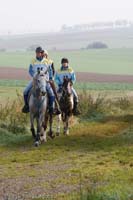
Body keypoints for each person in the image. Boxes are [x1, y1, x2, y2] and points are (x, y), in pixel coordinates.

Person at [22, 46, 56, 114]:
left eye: (38, 53)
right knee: (25, 91)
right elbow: (30, 70)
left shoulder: (47, 61)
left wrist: (51, 78)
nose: (37, 54)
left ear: (41, 53)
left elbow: (50, 71)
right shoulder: (33, 61)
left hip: (44, 80)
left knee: (51, 93)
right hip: (35, 80)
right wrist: (34, 76)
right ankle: (26, 106)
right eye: (36, 53)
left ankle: (51, 107)